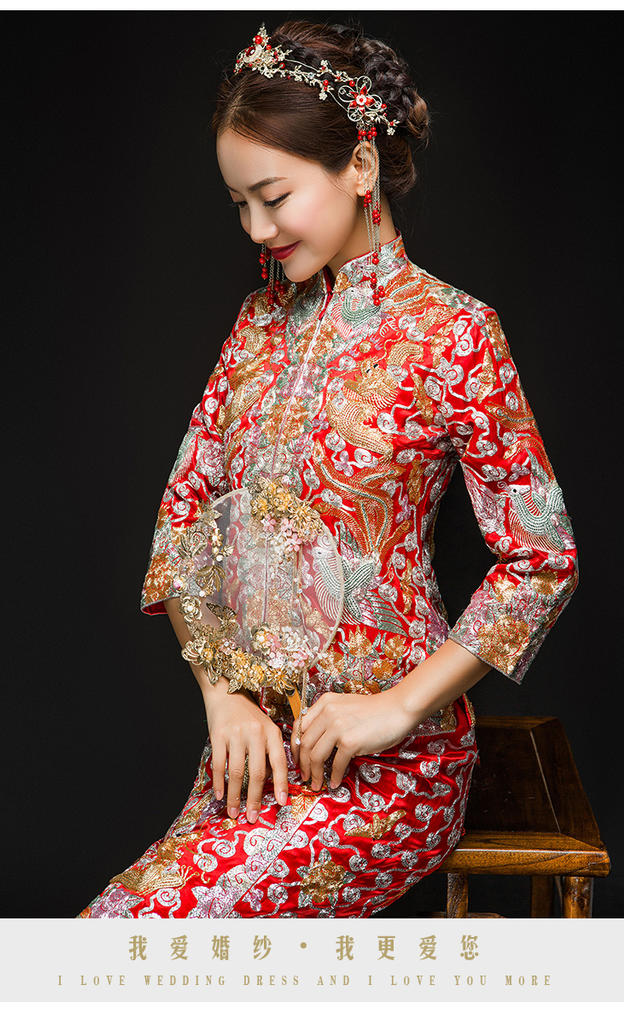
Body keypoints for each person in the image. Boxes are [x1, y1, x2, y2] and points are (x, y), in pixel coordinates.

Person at [78, 18, 579, 919]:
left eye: (273, 196)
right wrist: (221, 696)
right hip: (253, 759)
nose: (257, 227)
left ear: (361, 165)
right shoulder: (258, 325)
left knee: (143, 939)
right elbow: (184, 521)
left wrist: (398, 708)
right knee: (119, 935)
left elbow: (542, 560)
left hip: (392, 767)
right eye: (239, 203)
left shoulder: (454, 335)